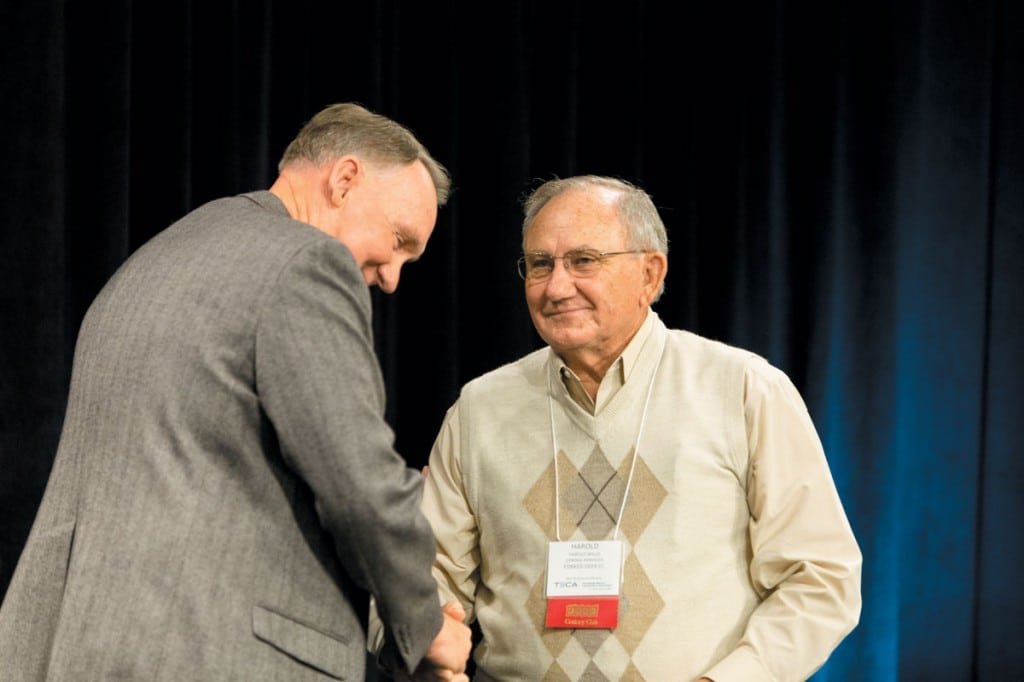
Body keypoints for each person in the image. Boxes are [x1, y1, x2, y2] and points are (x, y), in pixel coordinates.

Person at [0, 102, 472, 681]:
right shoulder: (308, 263)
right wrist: (425, 628)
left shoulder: (156, 259)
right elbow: (361, 487)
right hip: (211, 653)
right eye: (399, 240)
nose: (393, 276)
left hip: (69, 648)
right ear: (344, 179)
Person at [378, 175, 862, 681]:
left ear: (651, 274)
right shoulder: (480, 409)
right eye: (540, 264)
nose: (557, 286)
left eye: (584, 261)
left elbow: (820, 578)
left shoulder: (742, 390)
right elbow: (426, 572)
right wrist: (428, 641)